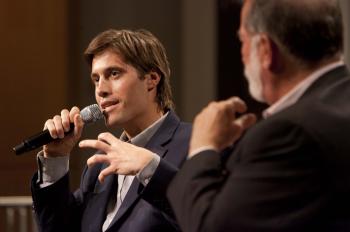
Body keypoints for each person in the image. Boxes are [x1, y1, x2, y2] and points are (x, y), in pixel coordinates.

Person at [167, 0, 350, 231]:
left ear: (265, 50)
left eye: (243, 40)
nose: (241, 53)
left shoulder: (287, 132)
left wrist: (203, 147)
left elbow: (210, 226)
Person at [30, 29, 191, 232]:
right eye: (96, 79)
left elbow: (205, 219)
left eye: (114, 74)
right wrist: (55, 158)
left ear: (151, 79)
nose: (101, 90)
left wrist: (150, 168)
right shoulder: (99, 164)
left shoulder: (194, 145)